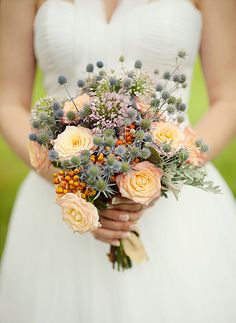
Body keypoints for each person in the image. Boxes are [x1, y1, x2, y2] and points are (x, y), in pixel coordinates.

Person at [0, 0, 236, 322]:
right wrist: (71, 181)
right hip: (56, 201)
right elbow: (7, 100)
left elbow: (229, 96)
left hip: (179, 214)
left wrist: (165, 172)